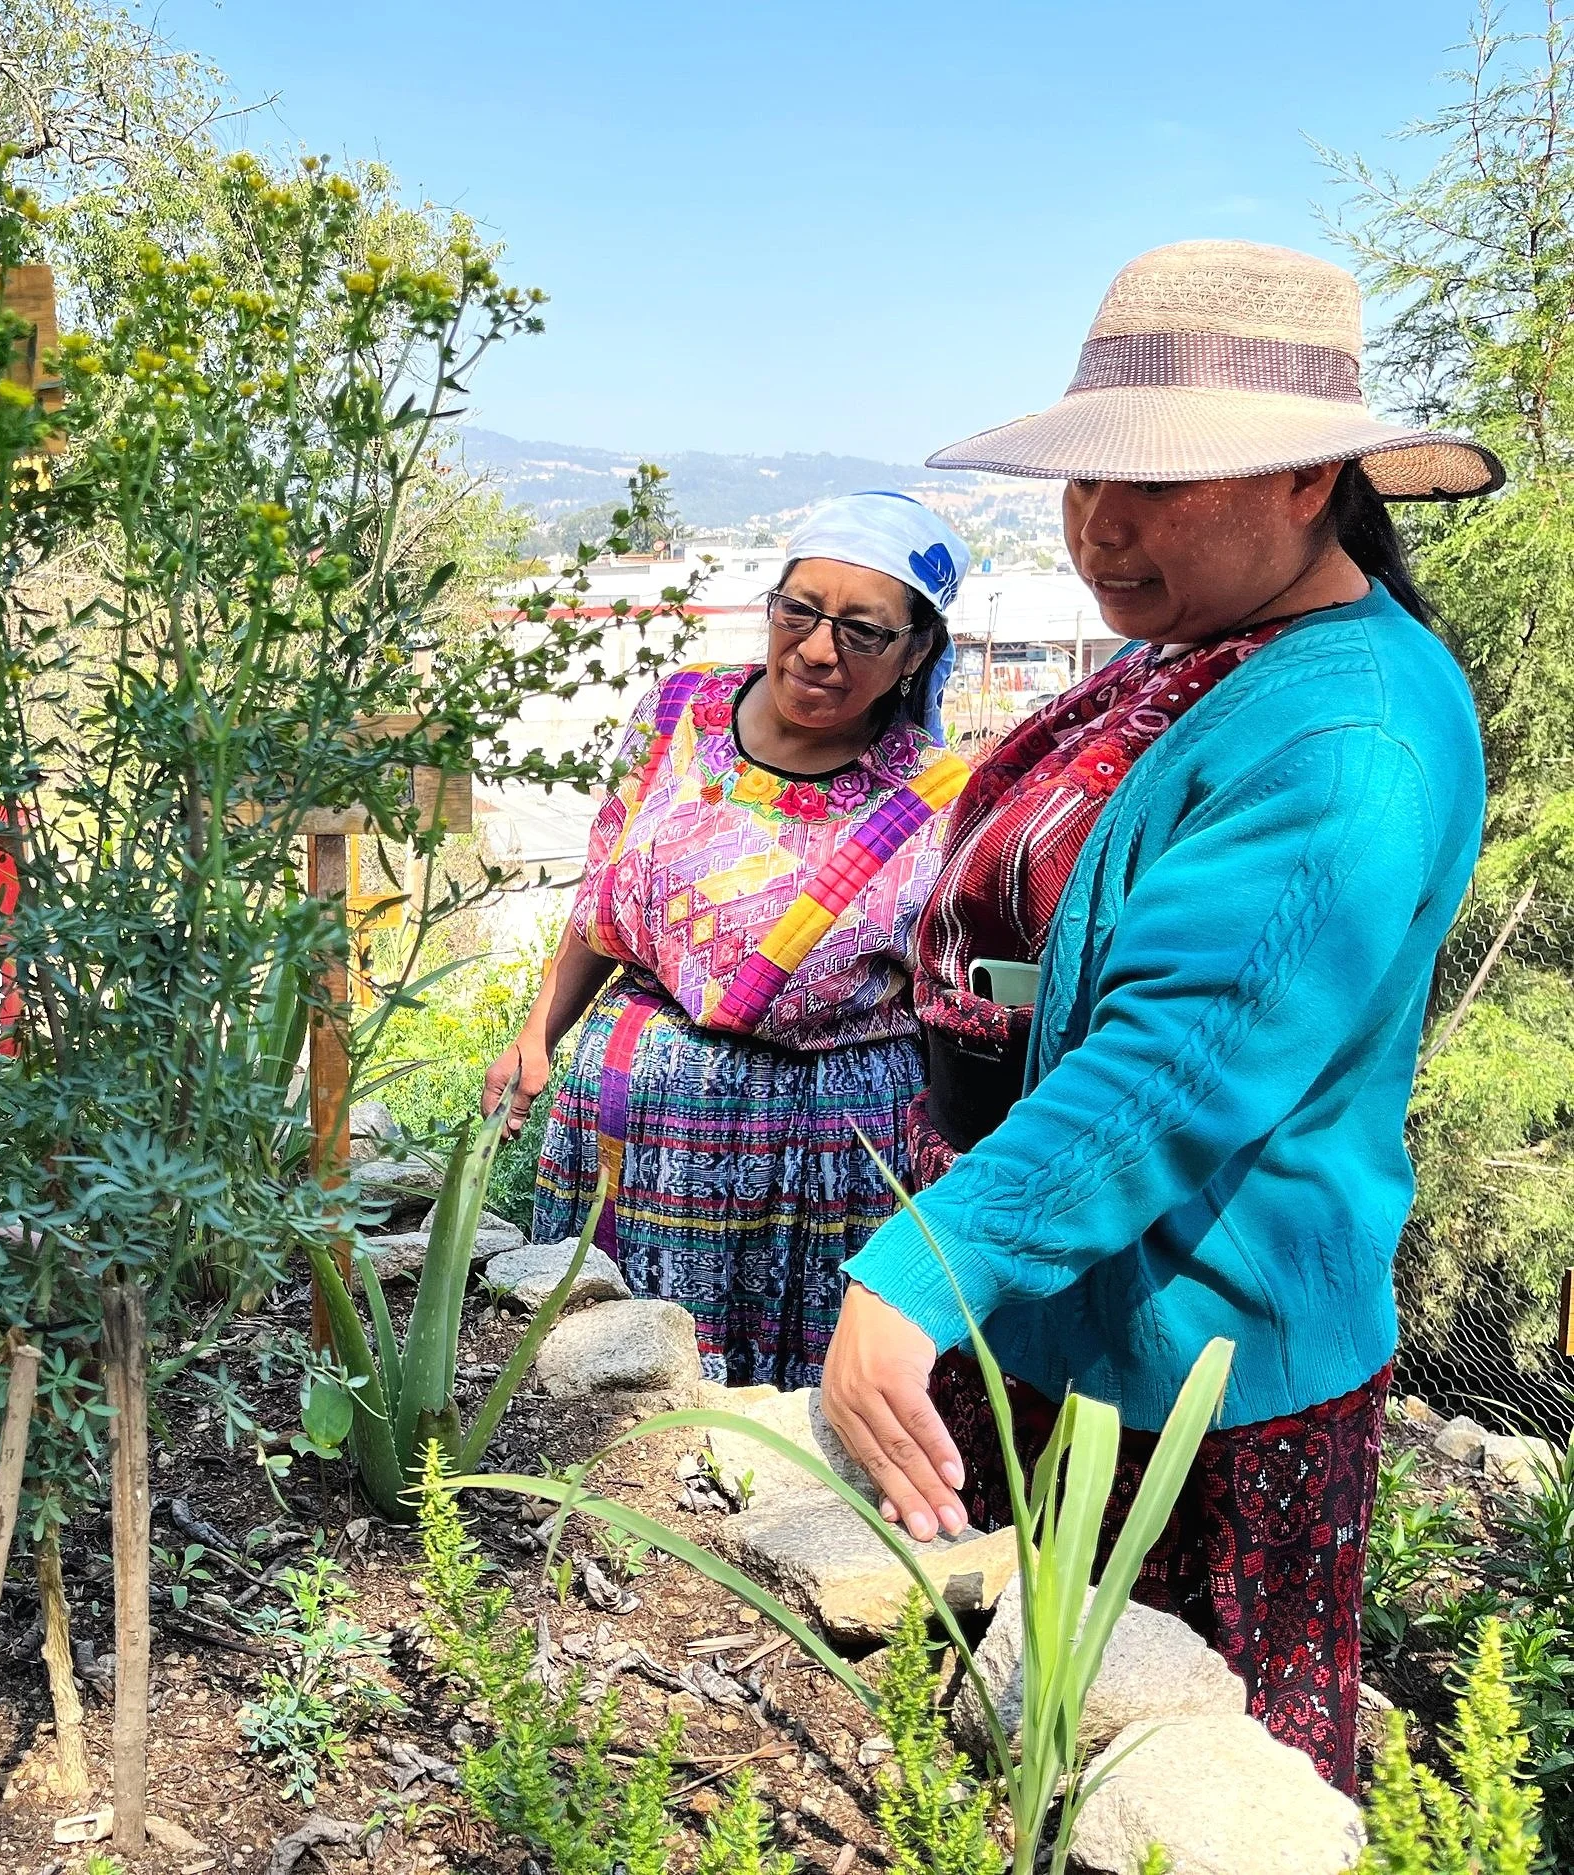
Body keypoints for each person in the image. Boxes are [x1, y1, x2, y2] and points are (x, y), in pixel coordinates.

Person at [819, 240, 1503, 1792]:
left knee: (1173, 1778)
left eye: (1158, 485)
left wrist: (933, 1261)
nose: (1100, 527)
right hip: (1059, 1309)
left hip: (1198, 1362)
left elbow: (1177, 1060)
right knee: (1005, 1751)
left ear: (1311, 479)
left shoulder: (1351, 736)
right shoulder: (1200, 651)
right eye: (1082, 482)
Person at [485, 494, 973, 1385]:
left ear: (917, 653)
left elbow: (949, 999)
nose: (820, 649)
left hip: (820, 1160)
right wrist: (535, 1035)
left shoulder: (940, 797)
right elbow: (602, 887)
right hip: (629, 1124)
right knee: (599, 1393)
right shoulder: (677, 712)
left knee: (774, 1437)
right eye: (801, 611)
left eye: (864, 631)